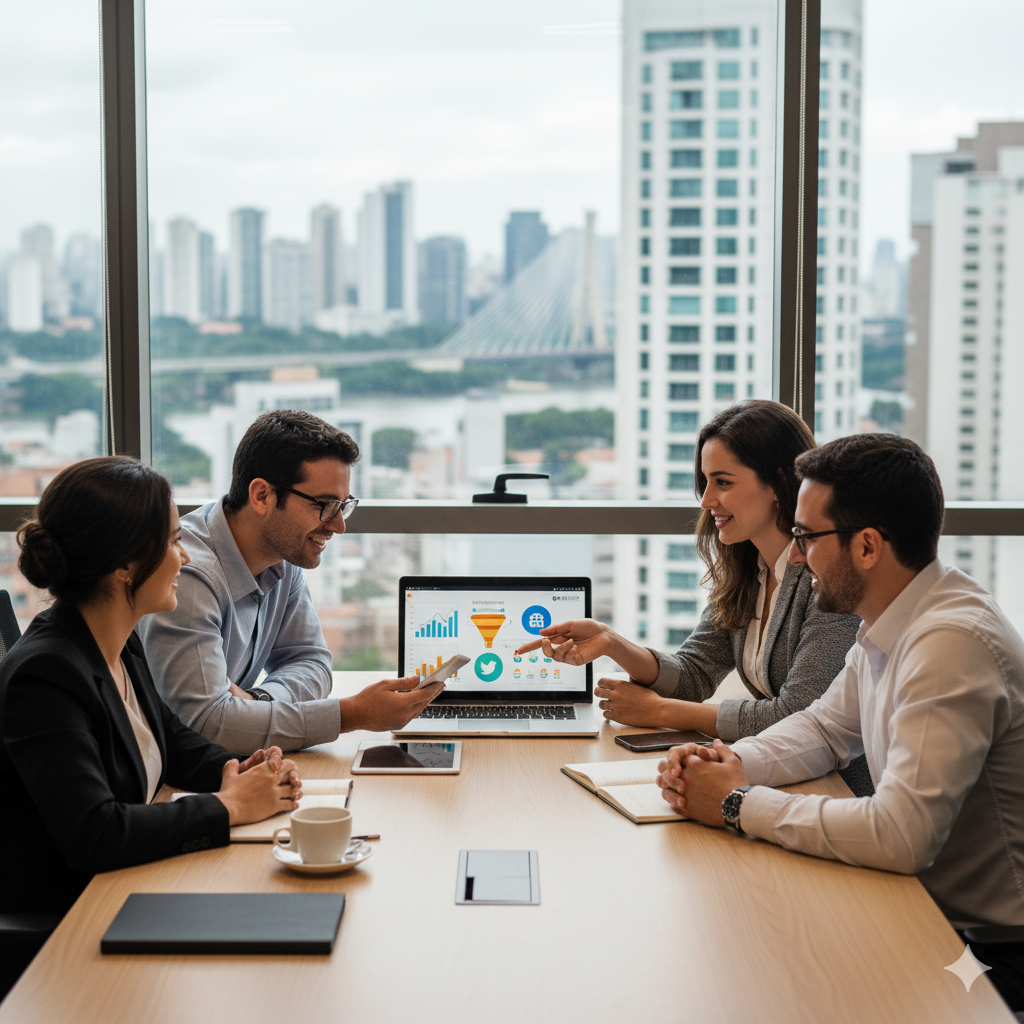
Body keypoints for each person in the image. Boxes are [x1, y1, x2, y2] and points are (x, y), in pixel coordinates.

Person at [657, 434, 1024, 1012]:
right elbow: (825, 729)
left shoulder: (950, 643)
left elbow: (902, 835)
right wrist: (729, 763)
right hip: (929, 910)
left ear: (869, 547)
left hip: (996, 949)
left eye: (805, 536)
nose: (795, 556)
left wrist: (736, 803)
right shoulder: (890, 618)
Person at [0, 457, 301, 926]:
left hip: (132, 885)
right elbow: (95, 832)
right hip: (72, 919)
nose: (185, 557)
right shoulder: (44, 676)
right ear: (125, 564)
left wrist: (238, 770)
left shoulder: (119, 640)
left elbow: (172, 739)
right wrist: (230, 805)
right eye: (175, 541)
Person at [517, 400, 870, 794]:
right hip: (776, 775)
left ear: (779, 482)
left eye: (723, 482)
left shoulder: (827, 579)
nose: (706, 501)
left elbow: (798, 716)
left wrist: (660, 712)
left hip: (838, 787)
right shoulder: (748, 569)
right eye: (705, 482)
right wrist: (611, 643)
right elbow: (694, 674)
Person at [138, 410, 442, 755]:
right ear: (262, 496)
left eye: (343, 505)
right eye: (325, 505)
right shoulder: (189, 578)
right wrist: (351, 714)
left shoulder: (282, 553)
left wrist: (259, 702)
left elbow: (311, 660)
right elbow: (208, 724)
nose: (339, 525)